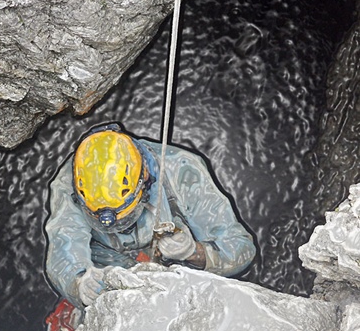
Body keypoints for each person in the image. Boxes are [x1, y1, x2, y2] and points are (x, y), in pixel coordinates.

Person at [45, 122, 256, 308]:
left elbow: (240, 247)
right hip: (108, 264)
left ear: (144, 180)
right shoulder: (70, 185)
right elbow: (64, 246)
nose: (122, 227)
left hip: (173, 264)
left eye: (127, 218)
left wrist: (194, 253)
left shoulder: (182, 171)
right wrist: (79, 283)